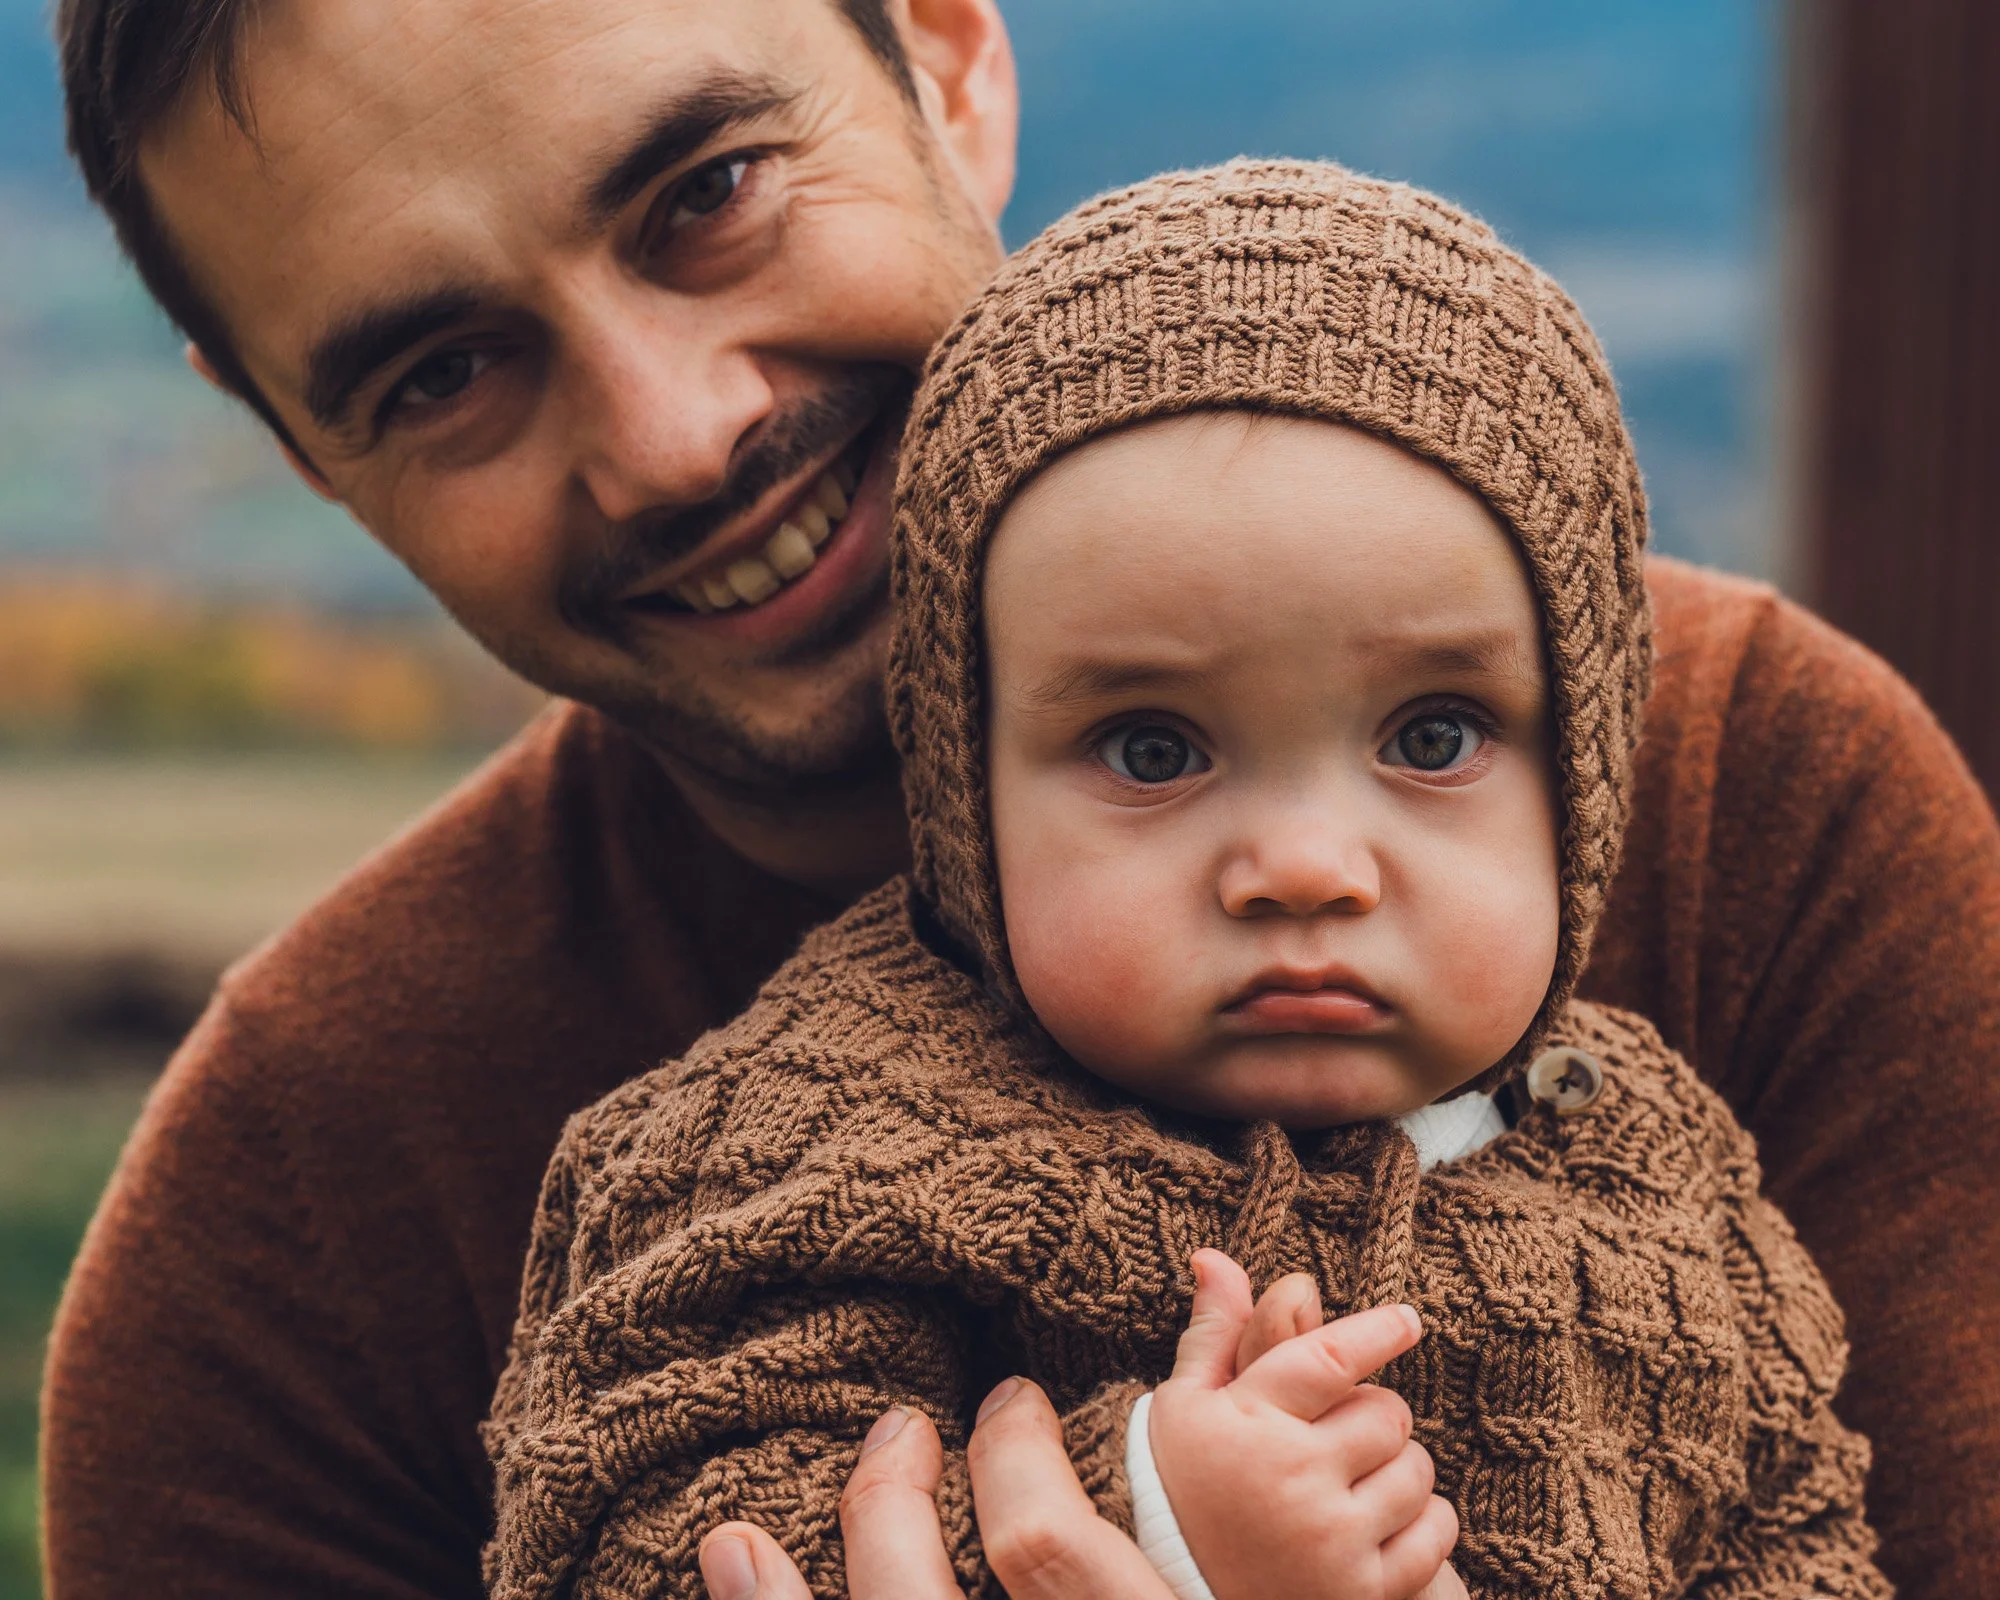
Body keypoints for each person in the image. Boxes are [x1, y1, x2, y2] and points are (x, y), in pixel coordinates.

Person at [39, 0, 2000, 1596]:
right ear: (292, 440)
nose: (674, 435)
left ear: (950, 63)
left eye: (707, 191)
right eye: (442, 366)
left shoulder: (1762, 800)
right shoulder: (285, 1253)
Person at [480, 160, 1889, 1600]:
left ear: (1581, 782)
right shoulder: (820, 1138)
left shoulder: (1656, 1186)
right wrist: (1155, 1510)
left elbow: (1809, 1550)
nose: (1301, 868)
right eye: (1151, 748)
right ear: (965, 784)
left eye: (1434, 736)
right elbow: (640, 1523)